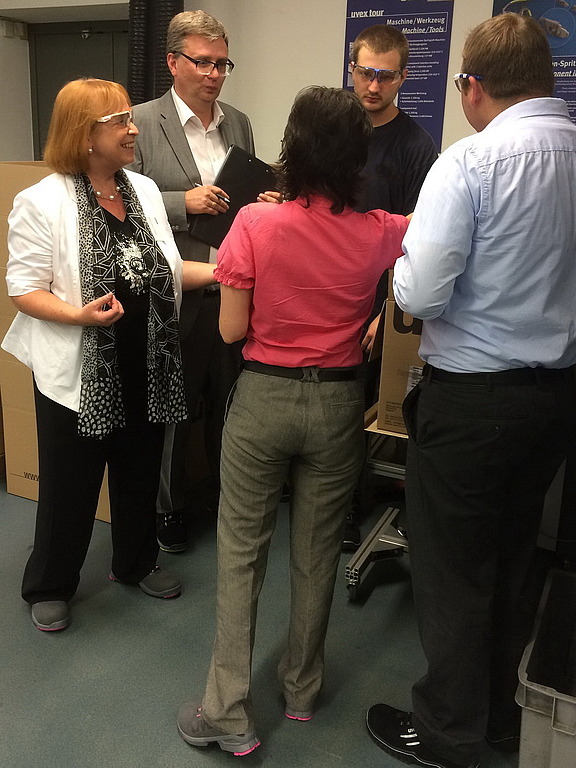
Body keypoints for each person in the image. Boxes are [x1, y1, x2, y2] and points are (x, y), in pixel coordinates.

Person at [366, 14, 576, 768]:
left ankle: (447, 734)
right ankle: (500, 717)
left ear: (472, 86)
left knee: (454, 569)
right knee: (516, 556)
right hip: (553, 398)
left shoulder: (469, 161)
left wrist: (400, 264)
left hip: (473, 400)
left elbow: (421, 292)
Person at [175, 85, 409, 755]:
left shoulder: (256, 222)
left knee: (241, 556)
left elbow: (230, 331)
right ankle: (302, 690)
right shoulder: (381, 231)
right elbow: (435, 232)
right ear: (357, 157)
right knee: (316, 553)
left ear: (293, 150)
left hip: (264, 400)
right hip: (338, 405)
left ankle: (227, 711)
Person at [2, 78, 217, 632]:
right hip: (80, 369)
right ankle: (50, 583)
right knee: (70, 483)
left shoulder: (142, 190)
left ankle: (135, 561)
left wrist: (229, 270)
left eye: (129, 118)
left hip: (148, 360)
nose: (133, 129)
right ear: (84, 134)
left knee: (139, 471)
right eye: (119, 120)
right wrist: (78, 316)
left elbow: (169, 270)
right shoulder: (41, 201)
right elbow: (23, 289)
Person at [127, 10, 278, 554]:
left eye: (222, 64)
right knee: (175, 407)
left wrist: (264, 202)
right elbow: (121, 204)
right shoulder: (141, 122)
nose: (214, 74)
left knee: (229, 404)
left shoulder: (238, 122)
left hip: (234, 288)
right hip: (178, 289)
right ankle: (167, 509)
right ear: (173, 62)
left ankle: (220, 495)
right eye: (203, 62)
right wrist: (182, 203)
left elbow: (245, 194)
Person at [343, 24, 438, 550]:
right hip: (328, 289)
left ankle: (348, 507)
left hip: (378, 298)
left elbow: (418, 238)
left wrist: (390, 310)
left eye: (385, 76)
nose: (373, 86)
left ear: (402, 78)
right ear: (352, 70)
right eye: (365, 73)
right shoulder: (338, 130)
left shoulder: (416, 147)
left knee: (359, 406)